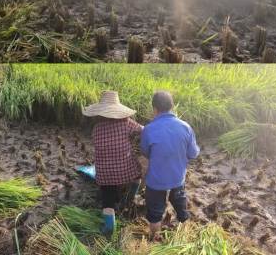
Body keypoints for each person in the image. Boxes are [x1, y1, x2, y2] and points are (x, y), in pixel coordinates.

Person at [140, 91, 200, 240]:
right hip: (177, 178)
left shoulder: (148, 129)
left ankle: (155, 238)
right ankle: (184, 236)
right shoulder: (186, 127)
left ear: (154, 109)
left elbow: (146, 153)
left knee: (155, 214)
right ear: (172, 106)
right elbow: (193, 154)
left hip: (156, 181)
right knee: (181, 207)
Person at [83, 90, 143, 235]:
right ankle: (129, 199)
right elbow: (144, 130)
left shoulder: (96, 129)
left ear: (100, 113)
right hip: (125, 171)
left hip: (104, 174)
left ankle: (109, 227)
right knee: (138, 176)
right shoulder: (127, 124)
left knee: (107, 199)